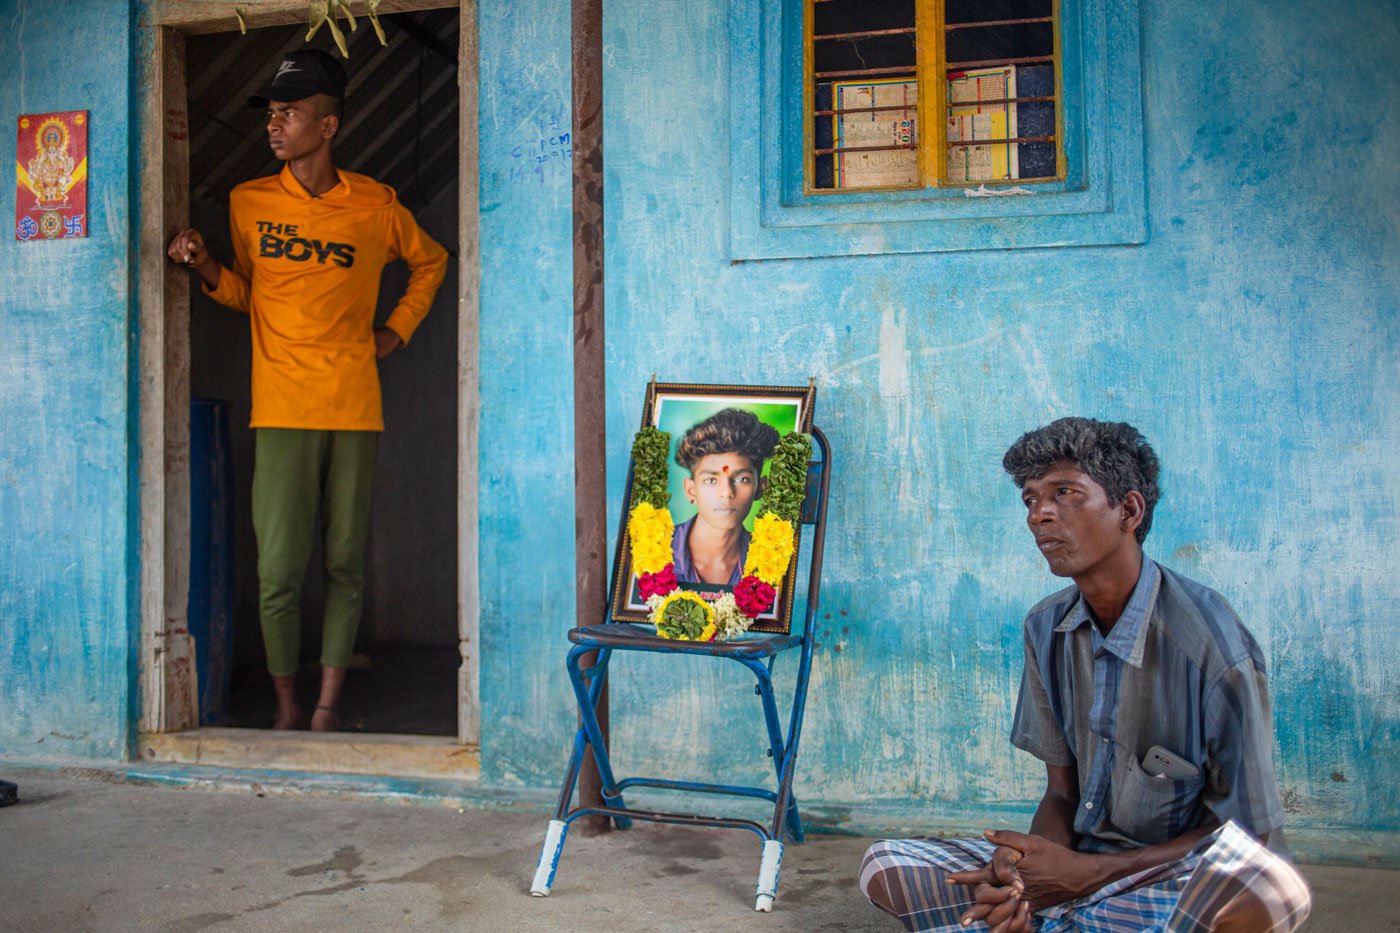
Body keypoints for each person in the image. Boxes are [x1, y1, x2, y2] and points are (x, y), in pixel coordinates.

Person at [859, 417, 1311, 932]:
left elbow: (1248, 832)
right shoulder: (1045, 627)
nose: (1040, 515)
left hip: (1166, 871)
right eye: (1030, 499)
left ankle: (1067, 917)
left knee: (1270, 892)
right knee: (885, 863)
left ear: (1129, 510)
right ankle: (1054, 918)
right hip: (1081, 862)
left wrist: (1089, 875)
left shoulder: (1213, 647)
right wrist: (1026, 872)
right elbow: (1061, 796)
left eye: (1065, 492)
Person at [167, 49, 448, 732]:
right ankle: (288, 705)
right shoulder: (249, 202)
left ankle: (327, 705)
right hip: (283, 406)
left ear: (326, 126)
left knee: (346, 561)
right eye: (271, 113)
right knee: (279, 567)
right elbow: (249, 295)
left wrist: (395, 332)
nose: (274, 125)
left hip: (353, 405)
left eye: (288, 112)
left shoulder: (375, 205)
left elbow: (431, 260)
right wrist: (206, 267)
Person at [670, 408, 780, 586]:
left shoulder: (772, 560)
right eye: (711, 480)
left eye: (741, 479)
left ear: (760, 488)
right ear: (691, 490)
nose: (726, 493)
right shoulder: (649, 551)